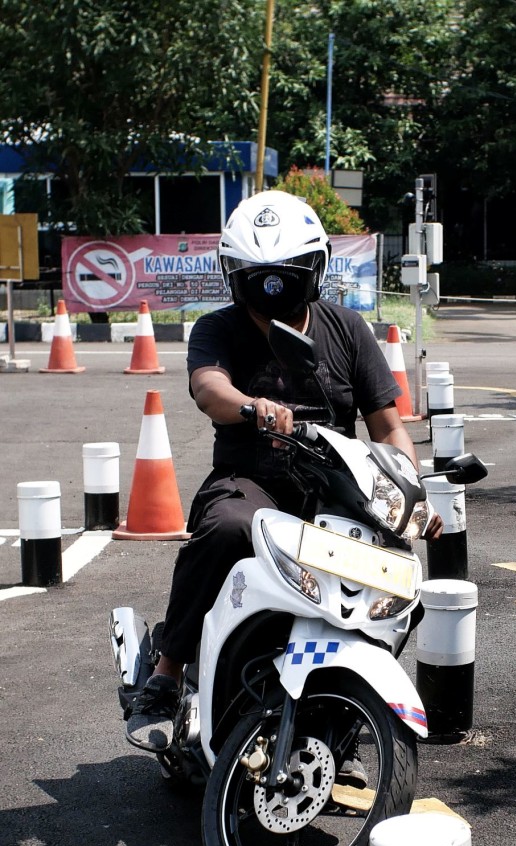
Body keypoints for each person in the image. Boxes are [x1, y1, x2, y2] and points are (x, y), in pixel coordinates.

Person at [126, 190, 443, 782]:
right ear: (235, 278)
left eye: (286, 277)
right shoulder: (218, 329)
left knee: (394, 584)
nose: (271, 291)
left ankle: (344, 715)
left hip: (340, 491)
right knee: (226, 528)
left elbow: (388, 426)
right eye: (257, 279)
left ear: (314, 271)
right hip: (253, 480)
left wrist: (411, 492)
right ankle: (167, 672)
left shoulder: (347, 329)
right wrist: (254, 407)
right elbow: (208, 388)